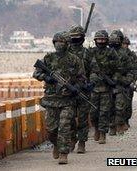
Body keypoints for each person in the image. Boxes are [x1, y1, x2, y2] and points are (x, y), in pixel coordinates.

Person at [33, 31, 84, 164]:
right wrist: (46, 77)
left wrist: (75, 88)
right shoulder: (49, 58)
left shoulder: (74, 59)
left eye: (62, 42)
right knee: (51, 129)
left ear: (67, 44)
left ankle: (63, 153)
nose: (59, 44)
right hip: (51, 99)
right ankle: (56, 144)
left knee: (64, 126)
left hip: (67, 100)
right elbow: (36, 73)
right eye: (57, 42)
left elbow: (81, 78)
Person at [89, 30, 119, 143]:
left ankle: (102, 133)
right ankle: (96, 128)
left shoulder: (111, 53)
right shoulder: (90, 52)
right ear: (95, 40)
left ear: (106, 41)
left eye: (103, 39)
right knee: (93, 113)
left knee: (104, 112)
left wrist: (113, 81)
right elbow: (85, 69)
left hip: (106, 88)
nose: (100, 41)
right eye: (98, 39)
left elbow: (118, 69)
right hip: (93, 88)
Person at [67, 25, 93, 153]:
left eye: (78, 37)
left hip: (83, 89)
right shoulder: (65, 53)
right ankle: (72, 139)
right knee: (69, 117)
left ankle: (82, 142)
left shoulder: (87, 53)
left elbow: (95, 70)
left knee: (83, 118)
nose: (75, 40)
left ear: (82, 38)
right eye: (73, 38)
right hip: (69, 90)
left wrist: (90, 83)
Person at [108, 30, 135, 135]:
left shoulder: (124, 55)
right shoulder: (106, 53)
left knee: (120, 107)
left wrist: (126, 81)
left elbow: (131, 70)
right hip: (107, 85)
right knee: (109, 107)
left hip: (120, 85)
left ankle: (120, 124)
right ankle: (112, 126)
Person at [122, 36, 137, 128]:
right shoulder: (115, 54)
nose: (124, 46)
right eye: (123, 44)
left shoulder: (132, 55)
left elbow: (136, 70)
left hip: (129, 83)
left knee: (128, 103)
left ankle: (126, 120)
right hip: (118, 82)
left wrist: (132, 80)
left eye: (126, 44)